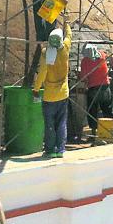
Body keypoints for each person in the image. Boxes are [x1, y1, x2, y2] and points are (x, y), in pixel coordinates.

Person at [32, 23, 72, 158]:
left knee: (49, 123)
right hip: (63, 94)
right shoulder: (65, 49)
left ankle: (50, 150)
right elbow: (69, 35)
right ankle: (60, 149)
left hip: (49, 96)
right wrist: (66, 23)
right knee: (61, 122)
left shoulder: (45, 53)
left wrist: (36, 89)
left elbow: (42, 73)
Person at [79, 44, 112, 137]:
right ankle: (110, 132)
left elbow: (84, 77)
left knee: (92, 112)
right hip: (105, 87)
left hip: (93, 89)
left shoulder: (85, 60)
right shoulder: (102, 55)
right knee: (107, 110)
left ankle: (94, 133)